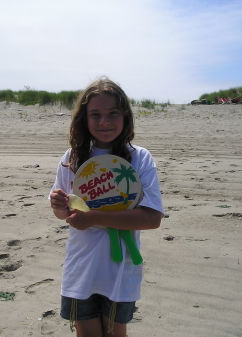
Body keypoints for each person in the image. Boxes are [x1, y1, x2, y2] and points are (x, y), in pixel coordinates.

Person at [49, 77, 164, 337]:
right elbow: (63, 214)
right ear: (84, 119)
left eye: (113, 114)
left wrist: (93, 218)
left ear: (125, 117)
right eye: (95, 115)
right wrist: (59, 206)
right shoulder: (72, 158)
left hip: (120, 269)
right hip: (82, 265)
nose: (104, 122)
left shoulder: (140, 158)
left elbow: (152, 218)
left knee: (115, 331)